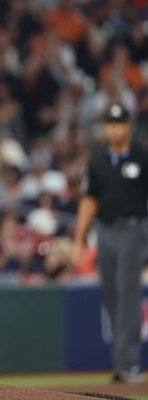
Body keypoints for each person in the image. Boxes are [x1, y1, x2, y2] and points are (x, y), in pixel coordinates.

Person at [73, 103, 148, 383]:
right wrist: (79, 238)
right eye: (110, 123)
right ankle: (121, 362)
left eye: (120, 122)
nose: (114, 128)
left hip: (133, 229)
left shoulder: (142, 157)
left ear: (129, 126)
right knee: (112, 295)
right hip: (105, 230)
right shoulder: (97, 160)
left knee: (128, 292)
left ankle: (127, 363)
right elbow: (89, 199)